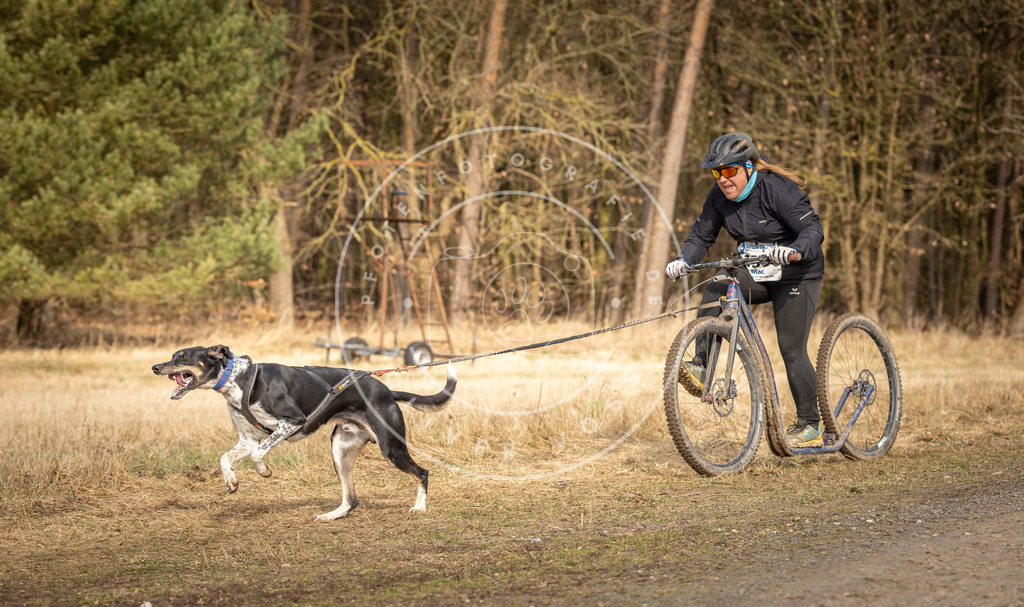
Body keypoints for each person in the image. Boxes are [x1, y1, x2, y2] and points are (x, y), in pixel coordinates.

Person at [665, 132, 825, 448]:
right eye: (716, 172)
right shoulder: (718, 197)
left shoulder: (776, 189)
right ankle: (702, 366)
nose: (723, 179)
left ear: (748, 167)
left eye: (729, 170)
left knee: (791, 347)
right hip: (758, 271)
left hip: (797, 274)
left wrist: (793, 249)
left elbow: (812, 229)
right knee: (717, 286)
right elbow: (701, 236)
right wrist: (684, 260)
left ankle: (810, 425)